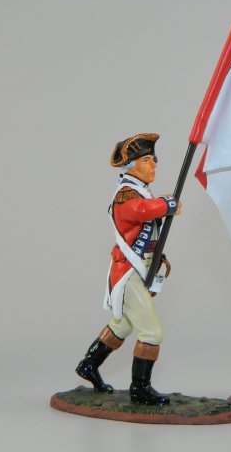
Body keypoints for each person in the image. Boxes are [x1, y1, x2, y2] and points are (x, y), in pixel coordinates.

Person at [75, 133, 182, 406]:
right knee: (152, 333)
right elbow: (141, 212)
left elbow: (147, 232)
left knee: (121, 326)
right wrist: (167, 204)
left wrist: (159, 257)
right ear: (131, 165)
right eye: (146, 160)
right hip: (128, 273)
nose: (153, 165)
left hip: (140, 267)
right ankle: (140, 389)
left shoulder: (141, 191)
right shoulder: (126, 194)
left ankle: (89, 365)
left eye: (153, 160)